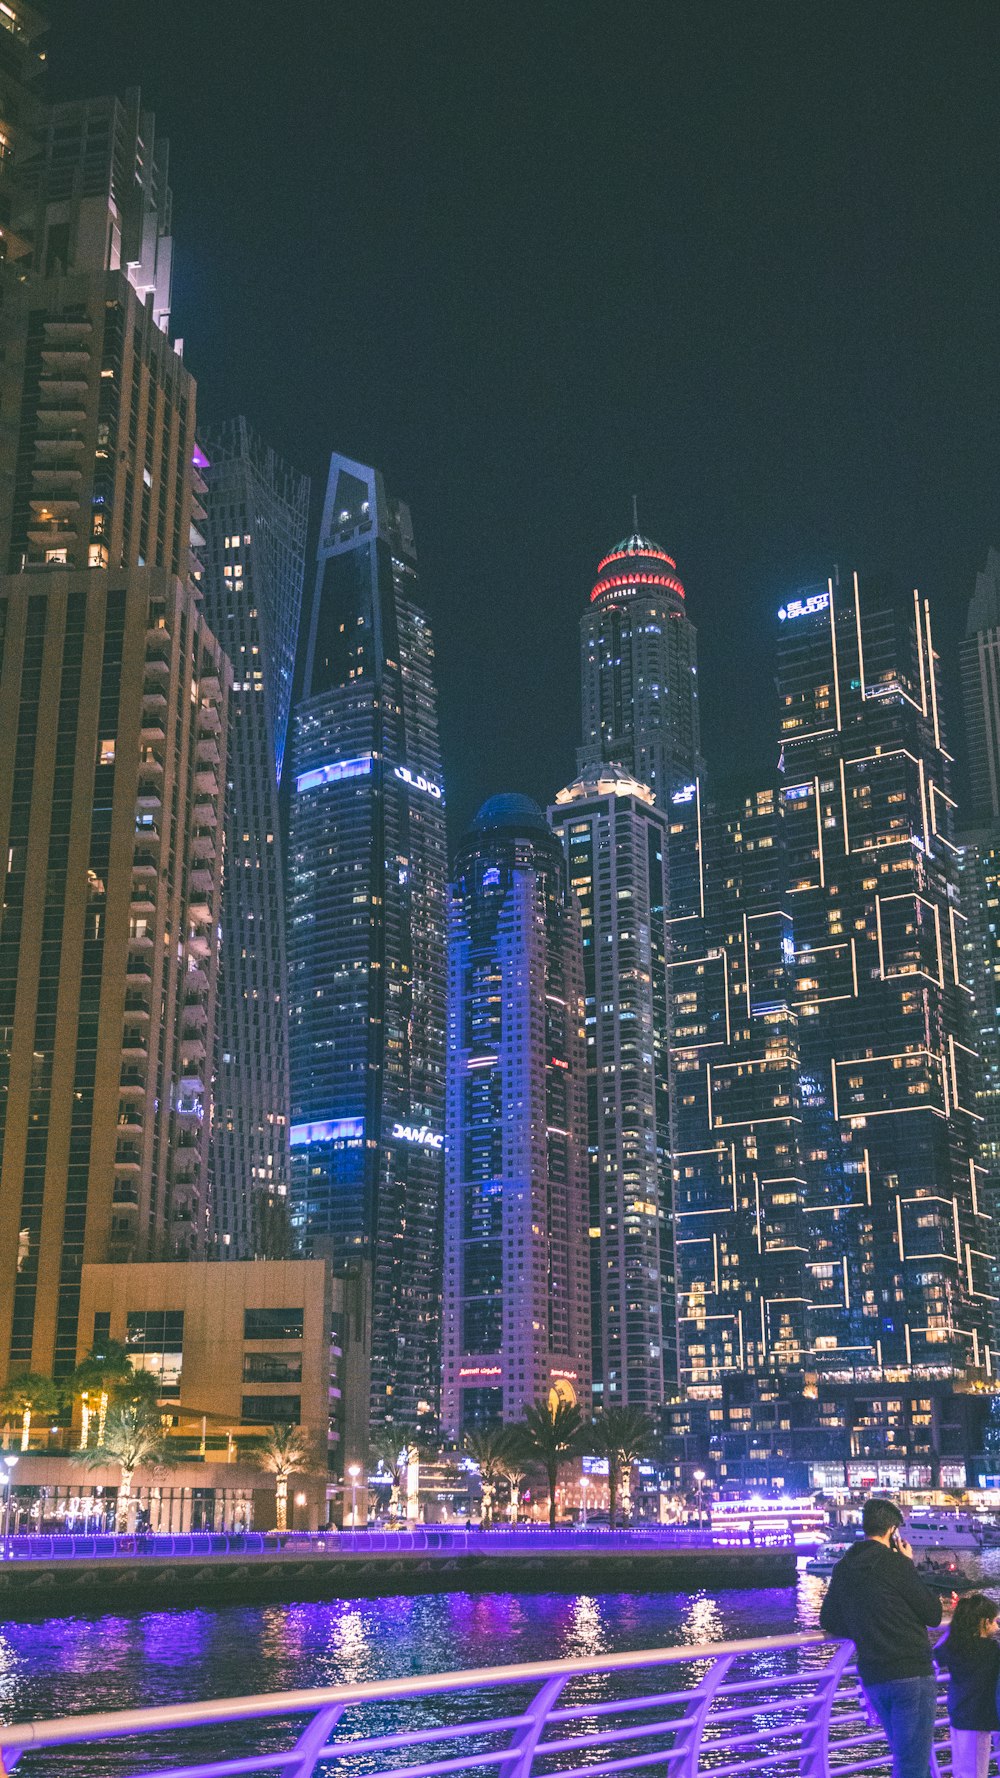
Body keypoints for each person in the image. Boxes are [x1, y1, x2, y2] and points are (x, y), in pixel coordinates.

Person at [820, 1497, 949, 1778]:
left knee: (906, 1759)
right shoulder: (896, 1564)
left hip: (874, 1675)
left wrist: (864, 1623)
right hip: (911, 1673)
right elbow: (933, 1614)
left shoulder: (844, 1567)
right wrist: (908, 1564)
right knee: (913, 1764)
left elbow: (828, 1620)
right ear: (893, 1531)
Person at [936, 1592, 1000, 1778]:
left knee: (965, 1768)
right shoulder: (991, 1650)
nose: (997, 1626)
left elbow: (933, 1658)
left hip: (959, 1712)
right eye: (994, 1621)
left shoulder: (952, 1646)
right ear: (984, 1622)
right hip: (980, 1716)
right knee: (976, 1768)